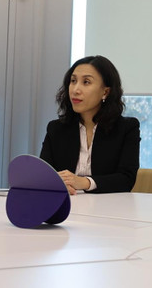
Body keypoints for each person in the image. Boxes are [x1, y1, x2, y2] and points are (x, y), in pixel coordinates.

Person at [40, 55, 140, 195]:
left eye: (86, 82)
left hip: (109, 209)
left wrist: (84, 182)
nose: (75, 89)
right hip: (65, 205)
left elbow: (126, 179)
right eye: (73, 81)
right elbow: (44, 175)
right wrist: (57, 185)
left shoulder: (126, 128)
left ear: (105, 92)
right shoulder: (56, 129)